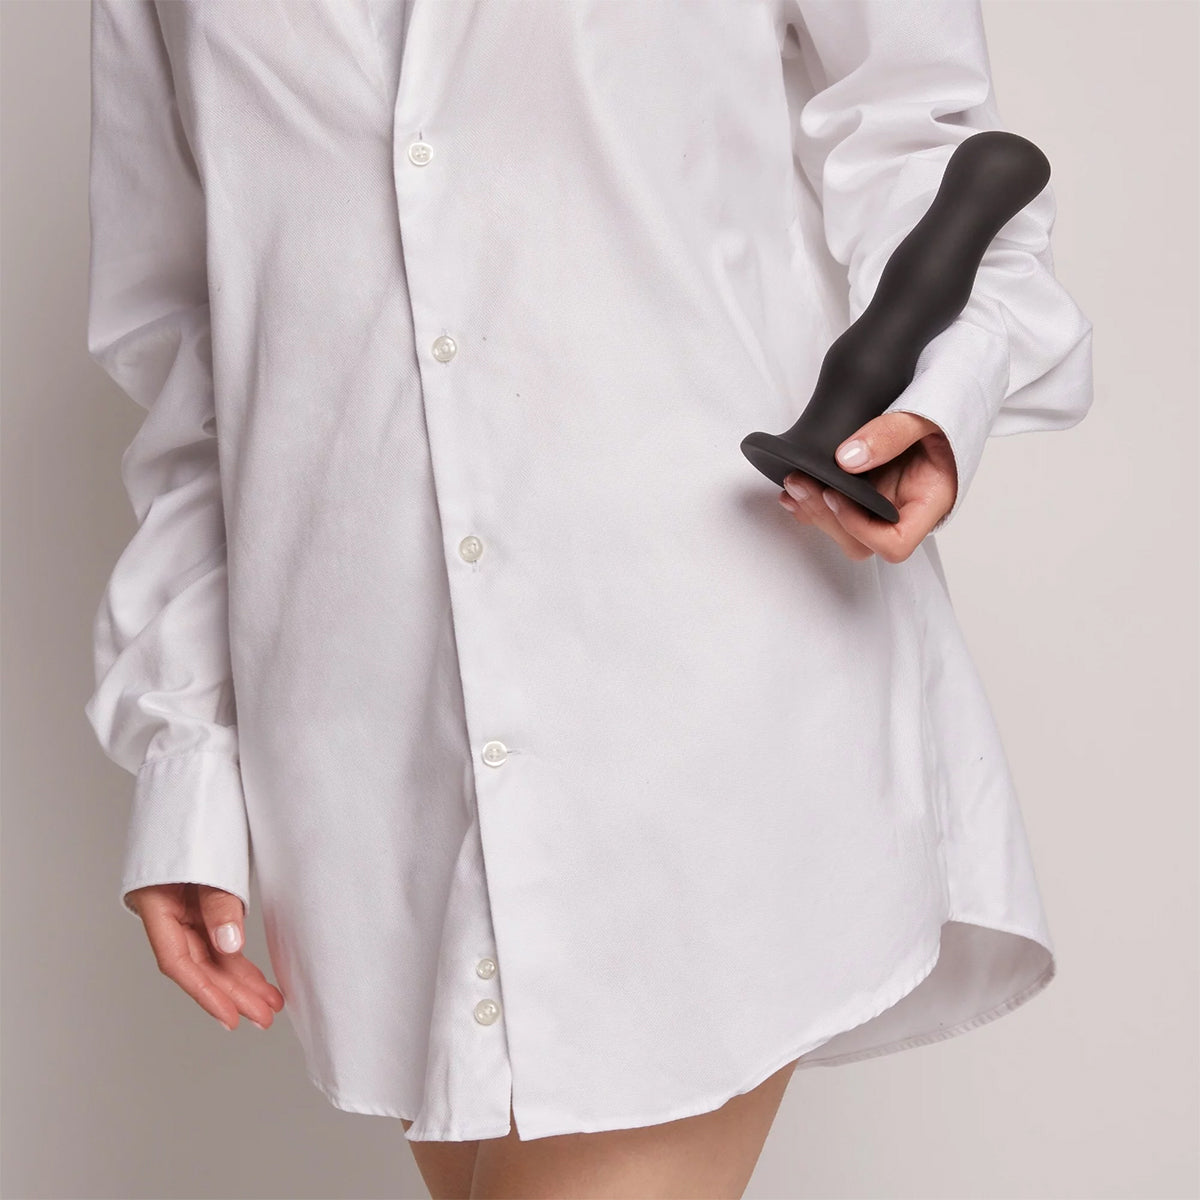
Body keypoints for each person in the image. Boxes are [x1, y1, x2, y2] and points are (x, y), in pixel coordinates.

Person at [84, 1, 1093, 1196]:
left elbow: (924, 139)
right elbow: (200, 345)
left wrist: (942, 386)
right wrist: (190, 759)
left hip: (697, 693)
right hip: (370, 766)